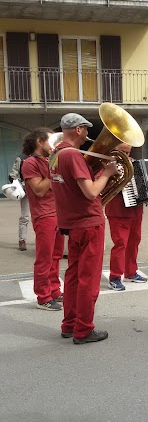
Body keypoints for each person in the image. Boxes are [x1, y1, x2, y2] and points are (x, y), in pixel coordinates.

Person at [49, 113, 119, 345]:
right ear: (78, 130)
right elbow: (90, 193)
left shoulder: (55, 155)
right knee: (88, 279)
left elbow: (73, 187)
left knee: (72, 276)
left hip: (71, 224)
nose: (89, 135)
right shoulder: (73, 154)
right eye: (87, 130)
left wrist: (98, 175)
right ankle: (83, 330)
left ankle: (69, 325)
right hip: (88, 223)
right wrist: (107, 174)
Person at [105, 143, 148, 291]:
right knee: (120, 244)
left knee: (134, 242)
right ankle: (114, 277)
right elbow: (101, 187)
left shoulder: (135, 164)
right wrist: (116, 182)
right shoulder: (108, 165)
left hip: (136, 210)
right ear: (114, 149)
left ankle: (131, 272)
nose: (126, 155)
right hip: (118, 211)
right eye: (122, 151)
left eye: (128, 151)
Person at [21, 129, 64, 311]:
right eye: (51, 140)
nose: (54, 143)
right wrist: (54, 172)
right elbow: (38, 189)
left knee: (56, 256)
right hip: (44, 215)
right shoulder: (29, 163)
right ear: (39, 141)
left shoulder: (49, 161)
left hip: (59, 214)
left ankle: (54, 290)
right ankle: (43, 296)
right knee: (44, 259)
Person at [9, 153, 30, 251]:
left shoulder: (44, 156)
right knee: (25, 216)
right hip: (26, 190)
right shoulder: (21, 158)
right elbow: (12, 175)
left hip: (41, 190)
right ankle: (22, 240)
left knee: (42, 216)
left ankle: (43, 239)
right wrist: (19, 185)